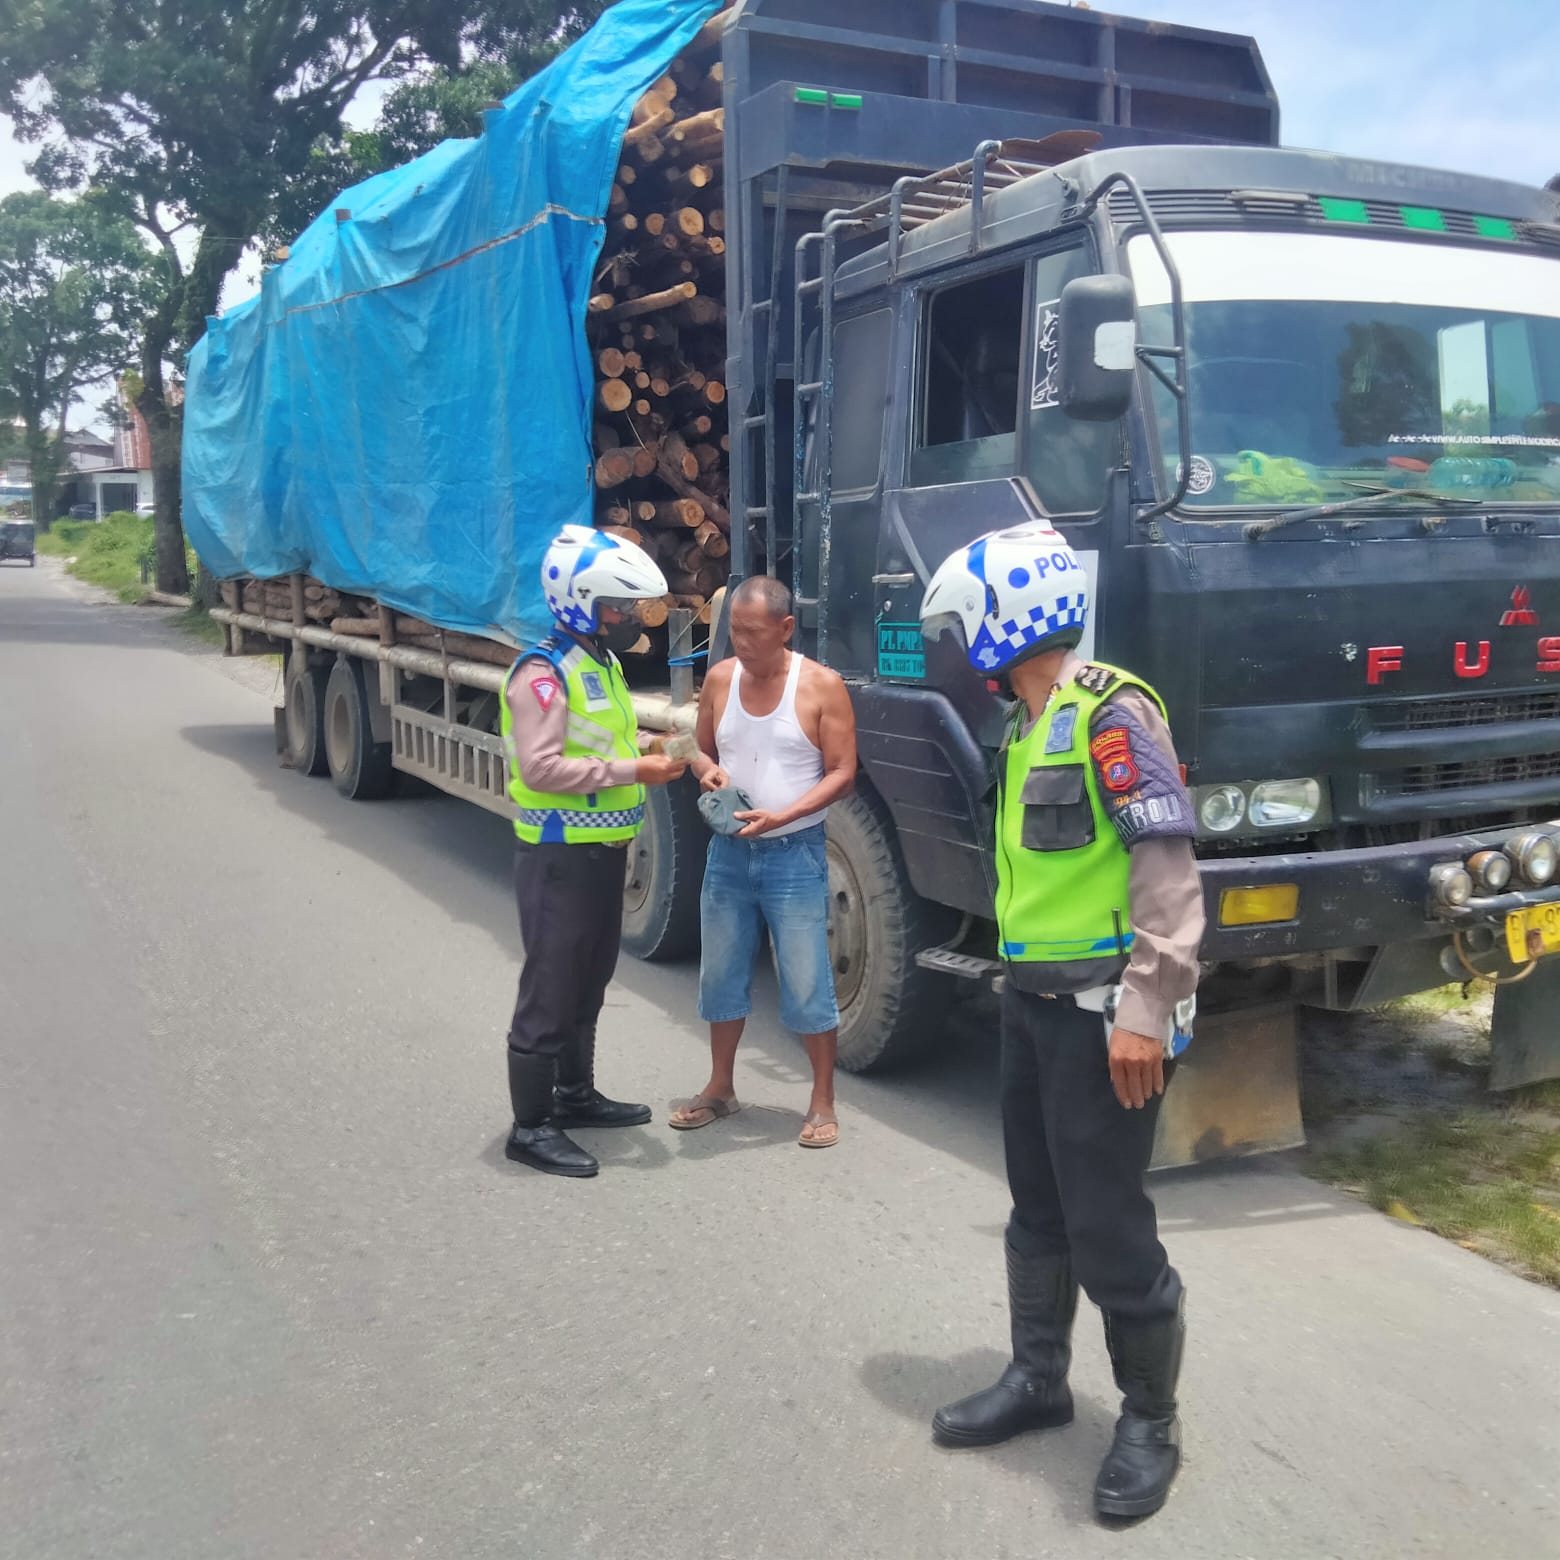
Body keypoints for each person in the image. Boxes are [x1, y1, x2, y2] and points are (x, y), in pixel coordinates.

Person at [918, 520, 1204, 1520]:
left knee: (1107, 1223)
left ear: (1005, 622)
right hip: (1031, 1008)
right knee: (1037, 1206)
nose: (957, 648)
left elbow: (1166, 875)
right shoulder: (1027, 725)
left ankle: (1148, 1420)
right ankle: (1038, 1380)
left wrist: (1146, 1008)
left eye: (963, 628)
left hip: (1102, 1020)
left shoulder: (1111, 715)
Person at [500, 525, 688, 1179]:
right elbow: (544, 767)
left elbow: (602, 741)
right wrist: (632, 772)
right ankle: (530, 1127)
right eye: (616, 605)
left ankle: (573, 1096)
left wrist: (646, 755)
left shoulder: (599, 664)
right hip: (558, 856)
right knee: (549, 990)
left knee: (588, 982)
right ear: (578, 600)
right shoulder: (542, 674)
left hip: (602, 852)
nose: (628, 616)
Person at [669, 576, 857, 1147]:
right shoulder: (722, 678)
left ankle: (822, 1101)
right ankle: (720, 1088)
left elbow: (844, 772)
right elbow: (691, 748)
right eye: (733, 632)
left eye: (753, 633)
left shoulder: (821, 687)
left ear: (785, 629)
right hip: (728, 853)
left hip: (793, 854)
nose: (741, 644)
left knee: (806, 980)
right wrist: (707, 771)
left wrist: (784, 815)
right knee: (720, 974)